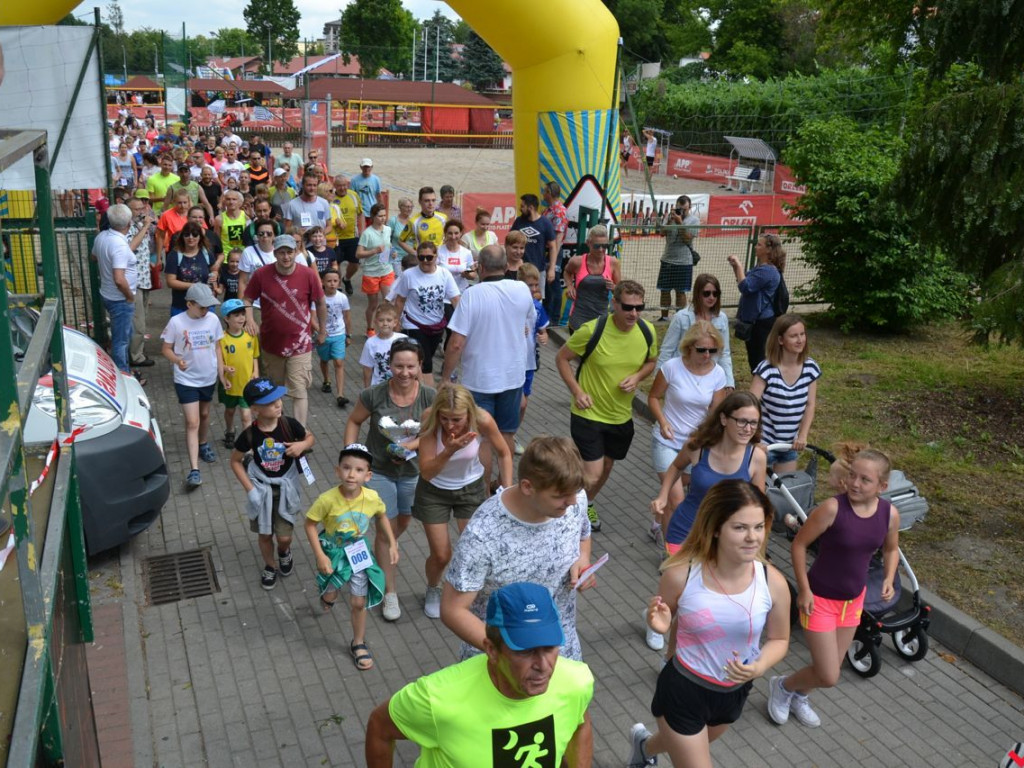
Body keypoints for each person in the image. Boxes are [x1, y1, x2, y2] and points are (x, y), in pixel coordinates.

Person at [629, 480, 791, 768]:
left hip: (734, 693)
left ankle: (644, 747)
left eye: (758, 526)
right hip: (684, 689)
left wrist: (760, 665)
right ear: (716, 528)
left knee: (680, 743)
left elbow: (779, 639)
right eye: (739, 527)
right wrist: (659, 626)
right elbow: (666, 621)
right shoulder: (682, 575)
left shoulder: (773, 582)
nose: (753, 537)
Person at [366, 582, 594, 768]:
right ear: (492, 650)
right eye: (525, 652)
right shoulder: (436, 697)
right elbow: (379, 727)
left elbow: (579, 721)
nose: (544, 666)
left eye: (550, 647)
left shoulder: (576, 681)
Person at [768, 449, 899, 729]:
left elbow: (891, 549)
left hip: (853, 602)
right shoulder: (832, 508)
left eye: (865, 480)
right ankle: (783, 686)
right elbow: (799, 545)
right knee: (829, 676)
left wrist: (888, 577)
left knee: (829, 669)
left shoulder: (889, 515)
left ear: (882, 486)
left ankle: (799, 694)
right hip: (820, 600)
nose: (854, 483)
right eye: (853, 475)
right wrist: (804, 590)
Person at [442, 436, 593, 660]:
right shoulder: (483, 534)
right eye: (560, 496)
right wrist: (507, 652)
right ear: (527, 487)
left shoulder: (574, 497)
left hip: (562, 651)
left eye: (575, 493)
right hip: (502, 663)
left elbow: (583, 534)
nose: (572, 502)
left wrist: (582, 559)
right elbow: (453, 610)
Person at [555, 280, 658, 532]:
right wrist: (577, 391)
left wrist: (637, 377)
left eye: (639, 307)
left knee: (606, 467)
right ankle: (566, 515)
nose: (634, 313)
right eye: (627, 307)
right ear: (614, 304)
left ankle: (586, 502)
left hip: (621, 416)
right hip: (587, 412)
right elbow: (562, 358)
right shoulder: (593, 330)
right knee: (592, 472)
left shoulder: (647, 331)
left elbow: (651, 361)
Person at [344, 339, 435, 621]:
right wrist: (353, 456)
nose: (404, 372)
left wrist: (413, 447)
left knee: (402, 522)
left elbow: (434, 433)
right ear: (389, 366)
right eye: (398, 366)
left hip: (413, 473)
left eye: (410, 366)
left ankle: (380, 552)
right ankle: (389, 591)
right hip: (380, 472)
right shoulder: (374, 395)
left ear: (420, 366)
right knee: (385, 530)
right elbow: (354, 421)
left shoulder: (430, 397)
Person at [414, 383, 513, 619]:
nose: (450, 425)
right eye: (445, 418)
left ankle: (473, 593)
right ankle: (433, 588)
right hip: (433, 491)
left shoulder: (483, 419)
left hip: (470, 489)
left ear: (469, 413)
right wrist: (448, 450)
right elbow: (427, 472)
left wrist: (506, 489)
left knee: (475, 548)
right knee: (441, 554)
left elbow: (504, 452)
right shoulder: (429, 419)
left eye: (457, 419)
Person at [304, 442, 397, 671]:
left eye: (358, 470)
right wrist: (320, 556)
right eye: (346, 468)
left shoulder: (373, 497)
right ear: (338, 471)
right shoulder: (327, 499)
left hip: (358, 551)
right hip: (333, 552)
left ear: (368, 475)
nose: (351, 474)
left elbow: (382, 516)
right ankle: (329, 596)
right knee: (331, 592)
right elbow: (309, 524)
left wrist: (393, 543)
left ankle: (358, 642)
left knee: (358, 601)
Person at [442, 244, 533, 477]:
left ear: (480, 267)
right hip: (512, 379)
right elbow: (526, 325)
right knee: (506, 436)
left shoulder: (471, 295)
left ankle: (483, 494)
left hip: (479, 381)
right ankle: (505, 488)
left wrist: (445, 378)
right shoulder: (522, 289)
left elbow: (456, 343)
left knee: (481, 439)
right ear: (505, 266)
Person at [652, 392, 768, 555]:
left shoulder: (756, 458)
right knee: (680, 579)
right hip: (685, 531)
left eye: (753, 423)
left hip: (725, 541)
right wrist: (663, 496)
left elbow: (758, 507)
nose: (748, 429)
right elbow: (676, 467)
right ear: (723, 419)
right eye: (742, 421)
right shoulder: (698, 446)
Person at [646, 321, 729, 549]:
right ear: (689, 347)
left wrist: (709, 435)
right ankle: (671, 553)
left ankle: (658, 518)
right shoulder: (672, 367)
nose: (707, 355)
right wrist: (662, 422)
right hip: (667, 441)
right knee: (677, 499)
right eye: (702, 350)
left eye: (712, 351)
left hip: (696, 445)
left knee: (678, 488)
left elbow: (716, 411)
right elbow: (653, 397)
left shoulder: (718, 373)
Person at [230, 377, 316, 590]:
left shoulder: (289, 424)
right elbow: (235, 461)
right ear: (255, 408)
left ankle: (284, 552)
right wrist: (250, 490)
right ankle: (270, 566)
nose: (278, 404)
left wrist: (302, 445)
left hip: (286, 488)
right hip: (262, 489)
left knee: (284, 537)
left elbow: (310, 437)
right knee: (265, 534)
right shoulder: (249, 434)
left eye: (278, 398)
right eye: (270, 402)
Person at [242, 234, 328, 427]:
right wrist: (249, 320)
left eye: (290, 252)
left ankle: (299, 432)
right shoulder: (261, 274)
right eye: (282, 252)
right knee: (273, 391)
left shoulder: (308, 274)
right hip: (272, 344)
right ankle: (276, 429)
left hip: (301, 344)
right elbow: (247, 299)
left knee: (299, 390)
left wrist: (322, 330)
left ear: (296, 251)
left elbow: (321, 303)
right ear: (275, 253)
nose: (286, 257)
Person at [160, 284, 224, 489]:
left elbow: (217, 347)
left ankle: (203, 443)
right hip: (186, 380)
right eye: (202, 307)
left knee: (205, 415)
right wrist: (177, 361)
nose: (206, 311)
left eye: (208, 307)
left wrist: (221, 373)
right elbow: (166, 348)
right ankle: (194, 469)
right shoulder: (176, 322)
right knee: (192, 422)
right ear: (190, 304)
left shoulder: (213, 320)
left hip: (208, 377)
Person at [749, 314, 820, 474]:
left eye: (802, 334)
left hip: (789, 445)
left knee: (784, 493)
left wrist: (802, 435)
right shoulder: (766, 370)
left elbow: (810, 405)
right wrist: (754, 440)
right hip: (764, 444)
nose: (800, 340)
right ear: (780, 340)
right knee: (758, 493)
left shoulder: (810, 368)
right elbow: (749, 406)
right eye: (794, 336)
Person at [389, 241, 461, 385]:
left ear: (436, 256)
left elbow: (455, 299)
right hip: (414, 324)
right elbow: (400, 300)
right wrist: (396, 323)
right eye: (421, 258)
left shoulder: (444, 273)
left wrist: (462, 322)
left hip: (436, 325)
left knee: (425, 358)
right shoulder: (409, 275)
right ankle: (430, 398)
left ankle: (415, 387)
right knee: (426, 363)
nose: (425, 261)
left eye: (429, 257)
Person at [657, 273, 735, 388]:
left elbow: (724, 352)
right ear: (697, 294)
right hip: (682, 374)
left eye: (715, 293)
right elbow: (667, 350)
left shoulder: (721, 318)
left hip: (709, 375)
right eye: (706, 293)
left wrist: (729, 383)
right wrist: (658, 378)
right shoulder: (681, 317)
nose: (711, 297)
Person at [727, 232, 785, 372]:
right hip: (756, 319)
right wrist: (736, 268)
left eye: (759, 244)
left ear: (768, 250)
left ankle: (763, 386)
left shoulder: (767, 271)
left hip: (761, 321)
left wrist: (739, 265)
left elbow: (745, 287)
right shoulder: (761, 268)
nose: (755, 247)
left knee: (758, 359)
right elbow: (745, 281)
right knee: (754, 357)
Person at [93, 204, 139, 376]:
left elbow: (93, 257)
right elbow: (119, 279)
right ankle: (123, 375)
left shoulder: (102, 236)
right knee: (121, 341)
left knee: (125, 334)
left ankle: (125, 369)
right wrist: (129, 297)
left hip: (108, 293)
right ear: (128, 223)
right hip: (119, 298)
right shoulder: (118, 244)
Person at [516, 263, 550, 452]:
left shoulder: (537, 306)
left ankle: (511, 434)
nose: (534, 289)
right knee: (518, 401)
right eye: (530, 285)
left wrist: (544, 336)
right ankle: (504, 433)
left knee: (523, 404)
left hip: (529, 362)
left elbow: (543, 329)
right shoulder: (511, 304)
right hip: (512, 361)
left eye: (536, 285)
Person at [217, 298, 259, 448]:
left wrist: (256, 372)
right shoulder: (221, 339)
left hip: (246, 384)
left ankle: (249, 444)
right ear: (226, 318)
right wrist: (225, 369)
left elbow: (255, 355)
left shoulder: (250, 335)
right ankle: (229, 431)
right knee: (229, 411)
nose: (242, 318)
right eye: (236, 315)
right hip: (229, 384)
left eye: (243, 314)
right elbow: (218, 361)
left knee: (246, 416)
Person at [563, 225, 621, 332]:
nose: (600, 250)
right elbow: (567, 272)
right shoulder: (577, 261)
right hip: (579, 317)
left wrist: (613, 287)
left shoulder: (613, 262)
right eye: (596, 246)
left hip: (601, 317)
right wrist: (570, 286)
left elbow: (620, 291)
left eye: (604, 246)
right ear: (588, 243)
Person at [657, 195, 699, 321]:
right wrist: (670, 221)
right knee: (664, 290)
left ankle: (680, 318)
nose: (681, 211)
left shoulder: (694, 221)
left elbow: (687, 238)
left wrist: (680, 223)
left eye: (684, 209)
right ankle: (664, 317)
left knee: (680, 292)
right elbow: (662, 233)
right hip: (667, 259)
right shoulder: (669, 217)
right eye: (679, 208)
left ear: (690, 208)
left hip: (684, 261)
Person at [356, 203, 396, 335]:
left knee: (389, 300)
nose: (383, 218)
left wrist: (392, 253)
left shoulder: (388, 230)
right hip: (371, 273)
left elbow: (388, 245)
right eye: (380, 216)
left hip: (386, 270)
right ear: (373, 217)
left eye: (385, 215)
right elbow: (358, 254)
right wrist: (374, 251)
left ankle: (389, 328)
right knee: (373, 305)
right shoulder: (367, 233)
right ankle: (370, 328)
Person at [126, 196, 157, 369]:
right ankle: (135, 356)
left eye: (142, 208)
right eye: (136, 209)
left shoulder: (139, 225)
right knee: (138, 321)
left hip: (144, 279)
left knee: (142, 318)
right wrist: (145, 225)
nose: (140, 212)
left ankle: (138, 351)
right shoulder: (128, 227)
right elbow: (130, 247)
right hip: (134, 282)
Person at [163, 222, 216, 317]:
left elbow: (214, 269)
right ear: (182, 237)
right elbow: (170, 282)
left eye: (195, 234)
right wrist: (195, 286)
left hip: (205, 305)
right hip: (182, 306)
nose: (191, 237)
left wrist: (214, 275)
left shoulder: (206, 253)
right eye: (187, 234)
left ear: (200, 237)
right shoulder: (174, 255)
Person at [317, 269, 352, 408]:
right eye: (329, 281)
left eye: (335, 281)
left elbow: (347, 317)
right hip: (324, 335)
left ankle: (340, 394)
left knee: (338, 362)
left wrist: (348, 334)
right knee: (324, 360)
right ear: (322, 282)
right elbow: (312, 317)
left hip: (339, 333)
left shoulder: (342, 297)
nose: (332, 284)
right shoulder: (318, 297)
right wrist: (319, 332)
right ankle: (326, 380)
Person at [510, 194, 557, 294]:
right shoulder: (518, 221)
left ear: (530, 207)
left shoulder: (545, 223)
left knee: (537, 300)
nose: (520, 208)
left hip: (538, 271)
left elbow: (553, 246)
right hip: (520, 270)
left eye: (522, 206)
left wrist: (552, 268)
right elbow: (509, 241)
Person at [359, 302, 407, 387]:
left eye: (389, 320)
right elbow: (367, 369)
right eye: (381, 320)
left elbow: (414, 365)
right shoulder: (371, 343)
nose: (385, 323)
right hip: (379, 387)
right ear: (375, 322)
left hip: (400, 386)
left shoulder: (403, 339)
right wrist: (367, 390)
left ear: (395, 322)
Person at [542, 181, 569, 322]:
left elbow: (558, 236)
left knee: (554, 283)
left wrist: (553, 259)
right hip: (547, 250)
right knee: (547, 284)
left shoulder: (559, 210)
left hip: (554, 250)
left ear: (550, 193)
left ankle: (554, 319)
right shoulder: (549, 209)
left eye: (545, 191)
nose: (543, 194)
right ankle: (547, 316)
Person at [331, 174, 363, 294]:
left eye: (344, 185)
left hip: (352, 236)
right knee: (336, 263)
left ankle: (347, 279)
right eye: (339, 186)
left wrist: (362, 230)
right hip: (336, 237)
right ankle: (338, 286)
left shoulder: (353, 195)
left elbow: (360, 213)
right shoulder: (331, 197)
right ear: (335, 186)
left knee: (355, 264)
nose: (342, 188)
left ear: (347, 185)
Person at [399, 186, 448, 256]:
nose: (431, 203)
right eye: (427, 201)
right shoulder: (414, 221)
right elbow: (401, 241)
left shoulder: (443, 218)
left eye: (433, 200)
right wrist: (415, 254)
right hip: (423, 260)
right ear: (420, 202)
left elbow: (449, 237)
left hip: (440, 259)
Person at [386, 197, 413, 275]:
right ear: (400, 207)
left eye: (411, 207)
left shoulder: (413, 222)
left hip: (410, 258)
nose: (410, 209)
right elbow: (386, 238)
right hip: (396, 257)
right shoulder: (393, 221)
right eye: (407, 207)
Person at [350, 159, 382, 225]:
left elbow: (378, 195)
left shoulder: (376, 179)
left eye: (368, 167)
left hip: (372, 211)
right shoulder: (354, 180)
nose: (366, 169)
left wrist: (381, 210)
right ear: (361, 167)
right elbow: (351, 196)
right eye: (364, 167)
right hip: (360, 212)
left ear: (372, 167)